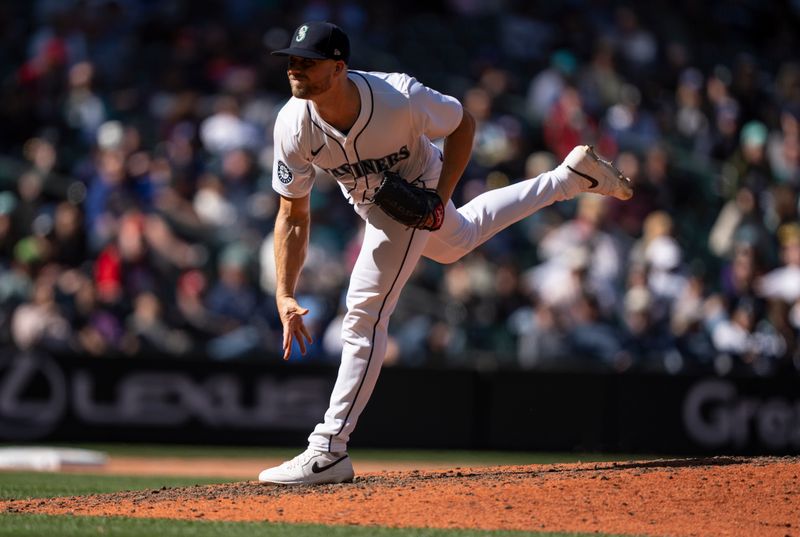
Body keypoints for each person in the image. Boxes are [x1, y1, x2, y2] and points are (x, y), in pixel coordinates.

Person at [258, 21, 633, 485]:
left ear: (338, 67)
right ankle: (569, 179)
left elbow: (463, 124)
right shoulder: (292, 123)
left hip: (419, 185)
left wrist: (438, 198)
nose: (295, 69)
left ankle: (329, 447)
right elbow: (292, 214)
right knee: (459, 241)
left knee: (363, 312)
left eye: (307, 61)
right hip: (375, 202)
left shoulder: (398, 98)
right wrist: (284, 292)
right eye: (292, 60)